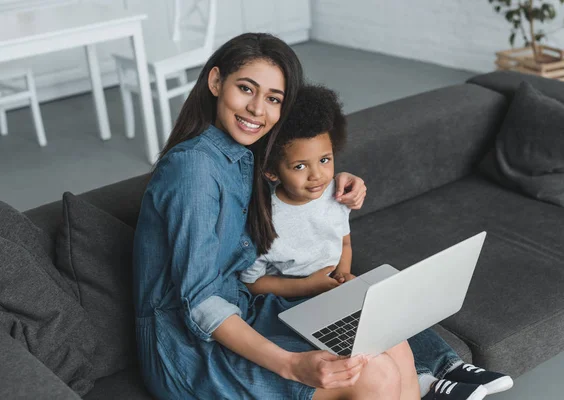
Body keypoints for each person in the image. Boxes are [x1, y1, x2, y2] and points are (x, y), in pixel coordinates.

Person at [132, 32, 418, 400]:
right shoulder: (193, 170)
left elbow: (293, 174)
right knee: (371, 373)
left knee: (386, 337)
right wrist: (291, 364)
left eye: (273, 99)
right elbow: (199, 302)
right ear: (216, 81)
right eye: (246, 89)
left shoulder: (246, 153)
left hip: (242, 308)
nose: (256, 109)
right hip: (182, 346)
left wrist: (337, 181)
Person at [240, 84, 514, 400]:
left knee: (389, 302)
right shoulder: (267, 220)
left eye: (325, 160)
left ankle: (448, 368)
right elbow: (253, 284)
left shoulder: (333, 194)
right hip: (290, 300)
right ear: (273, 173)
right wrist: (311, 286)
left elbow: (343, 243)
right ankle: (427, 381)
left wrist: (344, 274)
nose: (317, 175)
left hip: (329, 286)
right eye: (300, 166)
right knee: (367, 322)